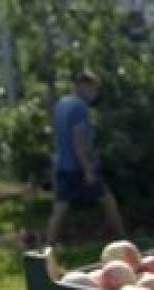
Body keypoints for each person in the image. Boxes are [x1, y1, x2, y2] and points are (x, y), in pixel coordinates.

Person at [46, 71, 126, 245]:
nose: (95, 95)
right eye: (94, 90)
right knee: (107, 199)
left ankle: (48, 246)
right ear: (84, 86)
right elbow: (78, 140)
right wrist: (88, 169)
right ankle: (122, 238)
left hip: (61, 163)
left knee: (60, 207)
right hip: (78, 166)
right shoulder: (80, 108)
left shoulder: (62, 103)